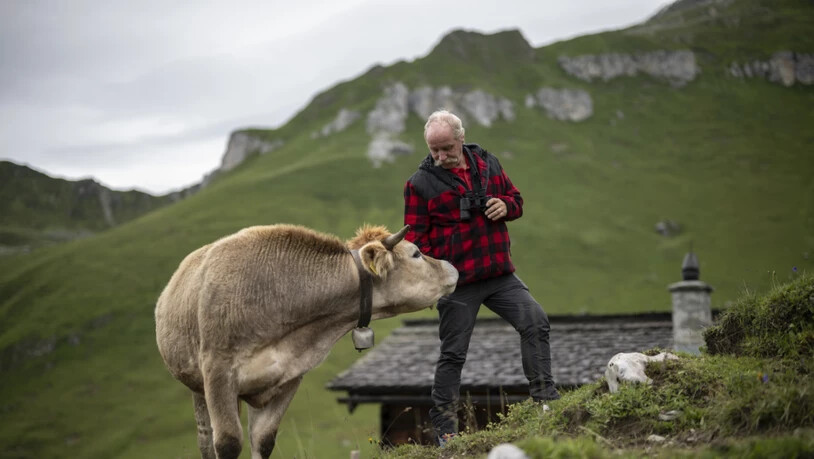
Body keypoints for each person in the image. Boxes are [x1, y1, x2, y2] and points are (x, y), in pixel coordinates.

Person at [403, 110, 559, 446]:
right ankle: (446, 430)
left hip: (500, 274)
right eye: (434, 151)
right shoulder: (418, 184)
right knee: (453, 353)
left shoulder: (489, 165)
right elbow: (415, 240)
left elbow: (516, 201)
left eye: (446, 148)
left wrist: (505, 205)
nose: (441, 156)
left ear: (460, 138)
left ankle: (546, 403)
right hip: (458, 283)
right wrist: (442, 268)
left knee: (535, 321)